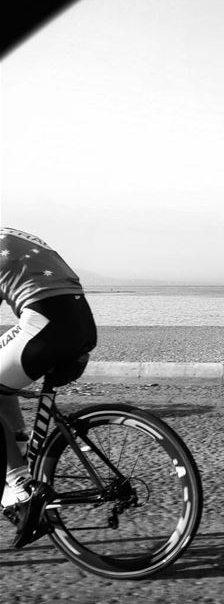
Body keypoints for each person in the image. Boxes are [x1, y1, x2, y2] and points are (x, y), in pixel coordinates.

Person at [0, 227, 97, 548]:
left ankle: (19, 483)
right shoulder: (12, 235)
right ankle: (18, 450)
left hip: (46, 326)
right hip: (80, 321)